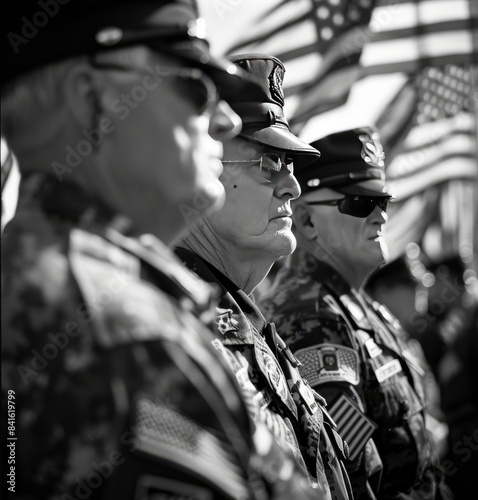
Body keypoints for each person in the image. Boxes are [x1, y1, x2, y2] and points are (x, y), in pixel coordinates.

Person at [1, 2, 318, 499]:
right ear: (89, 98)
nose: (226, 121)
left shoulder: (55, 284)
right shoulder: (122, 335)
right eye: (194, 87)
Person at [176, 54, 354, 500]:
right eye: (269, 162)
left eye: (291, 165)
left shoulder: (247, 322)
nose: (292, 186)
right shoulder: (178, 323)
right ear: (206, 159)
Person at [261, 128, 453, 499]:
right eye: (360, 202)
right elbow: (353, 472)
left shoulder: (359, 307)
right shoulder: (313, 315)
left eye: (382, 201)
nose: (380, 215)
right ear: (307, 222)